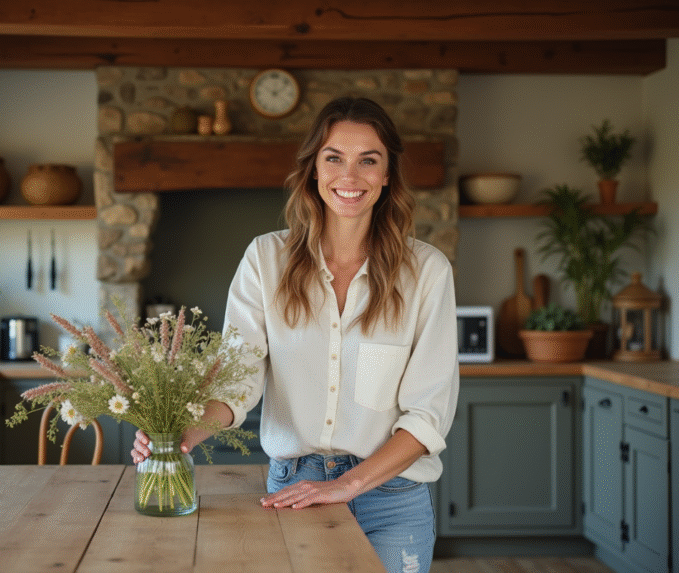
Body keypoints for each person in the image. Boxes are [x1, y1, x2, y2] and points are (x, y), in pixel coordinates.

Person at [132, 96, 459, 573]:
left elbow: (428, 414)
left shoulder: (426, 271)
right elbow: (235, 381)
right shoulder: (266, 261)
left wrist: (346, 486)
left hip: (392, 499)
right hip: (295, 489)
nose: (350, 176)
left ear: (387, 175)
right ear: (313, 170)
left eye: (369, 160)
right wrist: (182, 433)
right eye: (334, 158)